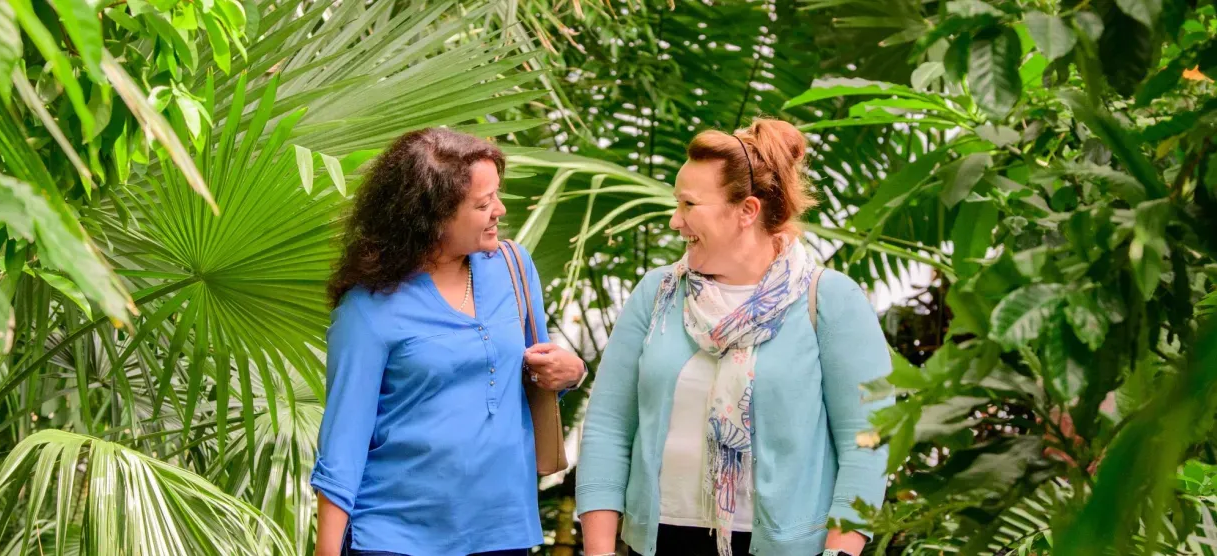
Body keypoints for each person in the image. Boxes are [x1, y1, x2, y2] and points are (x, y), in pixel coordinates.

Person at [575, 118, 892, 556]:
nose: (674, 221)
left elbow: (868, 443)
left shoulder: (829, 300)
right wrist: (598, 551)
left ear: (747, 211)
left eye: (688, 205)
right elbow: (609, 426)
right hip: (659, 541)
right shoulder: (658, 293)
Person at [313, 128, 589, 556]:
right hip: (397, 538)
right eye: (483, 203)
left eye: (497, 194)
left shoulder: (513, 268)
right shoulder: (367, 308)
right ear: (432, 216)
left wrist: (572, 372)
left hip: (505, 531)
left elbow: (539, 372)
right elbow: (342, 445)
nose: (499, 210)